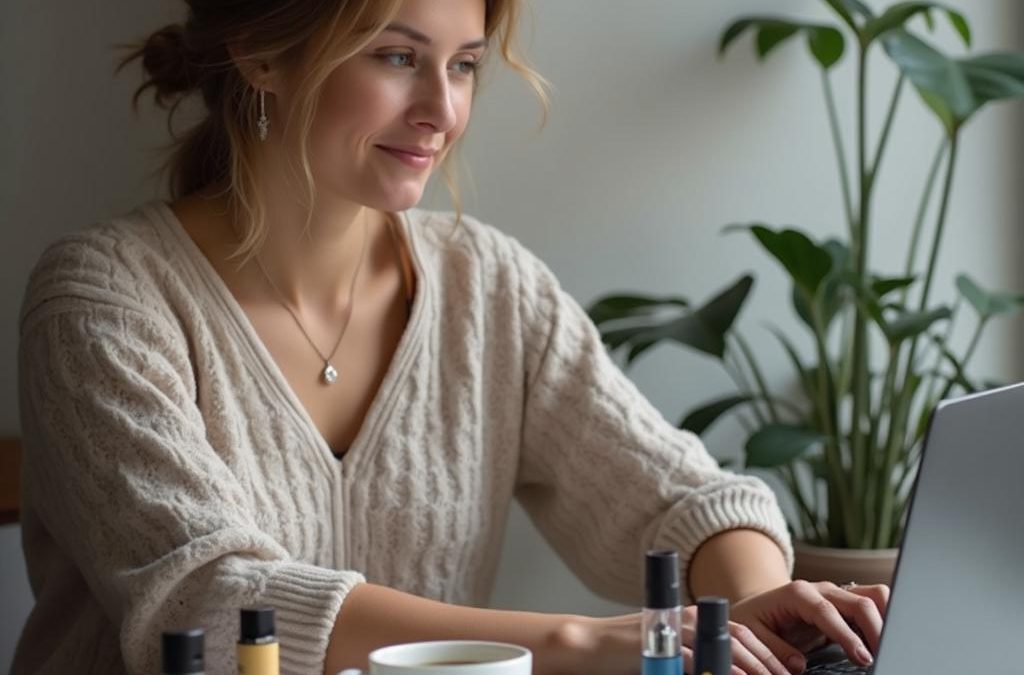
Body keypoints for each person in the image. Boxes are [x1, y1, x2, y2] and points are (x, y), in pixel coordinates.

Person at [12, 1, 889, 674]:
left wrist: (760, 603)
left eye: (464, 65)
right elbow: (213, 604)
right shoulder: (104, 298)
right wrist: (581, 641)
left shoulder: (488, 285)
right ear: (262, 54)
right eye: (398, 57)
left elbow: (678, 499)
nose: (442, 109)